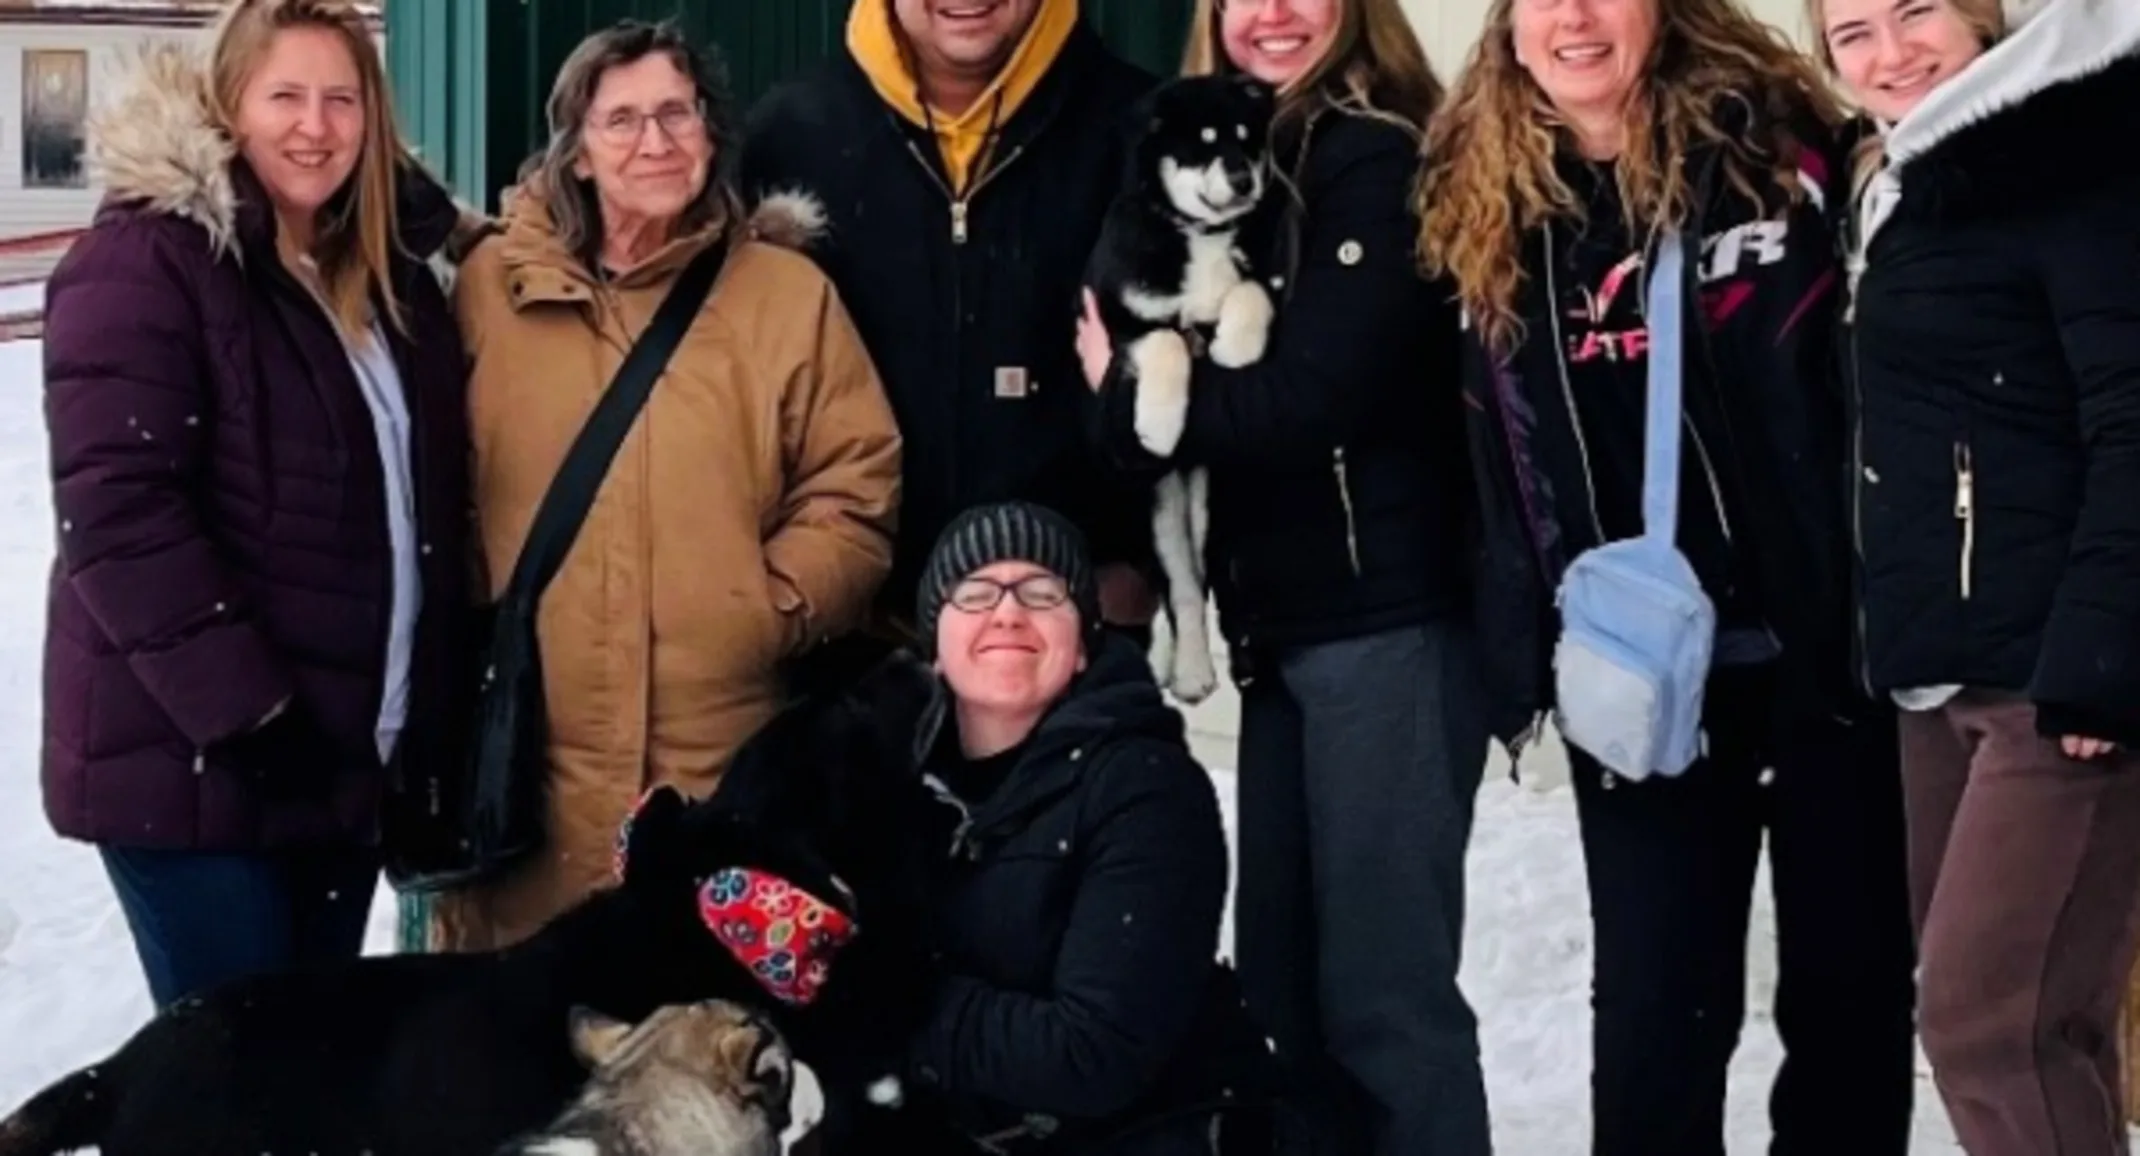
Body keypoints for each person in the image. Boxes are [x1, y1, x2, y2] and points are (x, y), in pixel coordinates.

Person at [1415, 0, 1921, 1152]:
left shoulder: (1783, 154)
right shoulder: (1480, 204)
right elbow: (1479, 449)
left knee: (1848, 992)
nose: (1574, 19)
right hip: (1636, 676)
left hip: (1827, 650)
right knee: (1654, 1013)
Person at [1076, 1, 1487, 1151]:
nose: (1273, 12)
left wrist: (1130, 389)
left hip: (1385, 617)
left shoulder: (1374, 155)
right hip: (1284, 624)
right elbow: (1137, 442)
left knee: (1384, 998)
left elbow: (1310, 401)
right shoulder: (1241, 159)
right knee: (1282, 993)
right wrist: (1129, 402)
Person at [427, 20, 902, 952]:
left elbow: (856, 481)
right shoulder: (489, 288)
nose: (656, 142)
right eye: (623, 121)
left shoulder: (784, 297)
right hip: (525, 772)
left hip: (719, 766)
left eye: (677, 114)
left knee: (700, 1056)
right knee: (524, 1054)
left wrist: (770, 604)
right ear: (577, 153)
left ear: (712, 135)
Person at [38, 0, 476, 1009]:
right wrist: (254, 720)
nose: (313, 127)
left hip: (337, 764)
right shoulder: (148, 263)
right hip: (203, 767)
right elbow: (119, 516)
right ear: (227, 104)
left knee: (301, 1076)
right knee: (231, 1090)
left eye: (340, 98)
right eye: (284, 96)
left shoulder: (386, 276)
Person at [1807, 0, 2140, 1148]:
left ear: (1983, 20)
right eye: (1851, 33)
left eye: (1914, 15)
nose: (1889, 53)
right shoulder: (1898, 183)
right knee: (2043, 1022)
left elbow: (2132, 413)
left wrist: (2103, 647)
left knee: (1988, 1024)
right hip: (1936, 674)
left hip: (2053, 677)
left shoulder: (2060, 166)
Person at [739, 0, 1162, 652]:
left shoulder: (1142, 130)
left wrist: (1138, 564)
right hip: (853, 636)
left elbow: (1205, 359)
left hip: (1071, 627)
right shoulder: (789, 137)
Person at [882, 499, 1273, 1155]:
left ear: (1084, 644)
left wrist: (891, 1002)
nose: (1007, 612)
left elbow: (1095, 1053)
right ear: (936, 646)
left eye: (1041, 594)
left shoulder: (1146, 790)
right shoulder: (888, 789)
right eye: (976, 594)